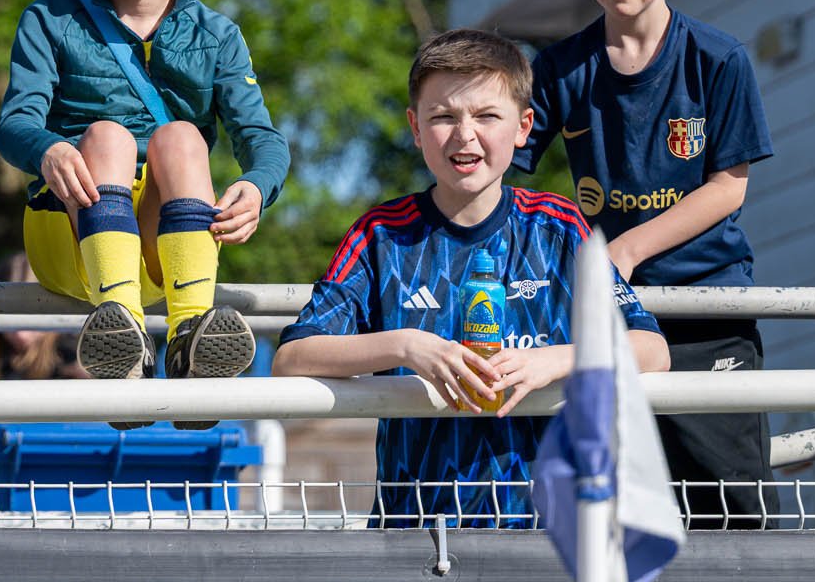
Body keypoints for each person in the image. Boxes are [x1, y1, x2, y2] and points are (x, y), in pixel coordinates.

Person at [274, 28, 669, 527]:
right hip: (414, 529)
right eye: (443, 116)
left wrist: (556, 360)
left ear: (524, 126)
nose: (465, 134)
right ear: (415, 128)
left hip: (555, 532)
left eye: (487, 116)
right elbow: (292, 358)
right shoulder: (381, 234)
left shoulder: (559, 227)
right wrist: (406, 346)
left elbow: (652, 351)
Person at [0, 0, 289, 424]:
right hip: (71, 230)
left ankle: (190, 340)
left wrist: (257, 187)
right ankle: (121, 340)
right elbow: (14, 125)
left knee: (181, 138)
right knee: (106, 135)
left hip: (167, 241)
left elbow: (262, 137)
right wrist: (48, 147)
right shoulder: (50, 17)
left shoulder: (218, 35)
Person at [515, 0, 775, 528]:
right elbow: (501, 176)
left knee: (734, 508)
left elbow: (728, 186)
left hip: (705, 310)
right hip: (610, 323)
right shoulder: (559, 68)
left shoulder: (719, 59)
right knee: (622, 511)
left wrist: (623, 247)